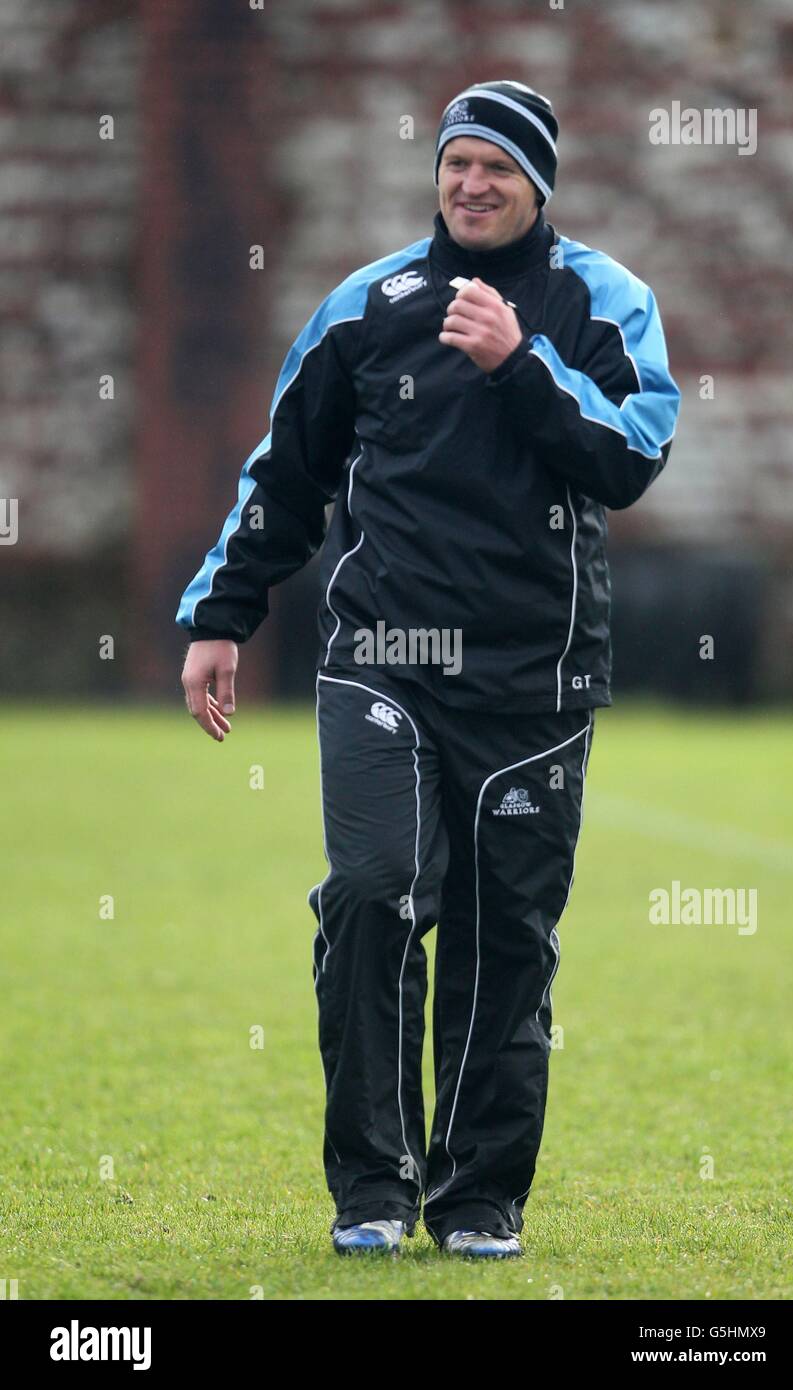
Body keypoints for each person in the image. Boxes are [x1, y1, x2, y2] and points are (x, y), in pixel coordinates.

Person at [177, 80, 681, 1259]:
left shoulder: (605, 303)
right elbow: (284, 476)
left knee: (507, 937)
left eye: (497, 167)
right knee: (372, 892)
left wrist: (522, 363)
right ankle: (370, 1187)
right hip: (383, 660)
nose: (471, 183)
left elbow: (633, 454)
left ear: (539, 184)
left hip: (537, 683)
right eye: (456, 163)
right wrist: (221, 613)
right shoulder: (367, 304)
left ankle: (476, 1198)